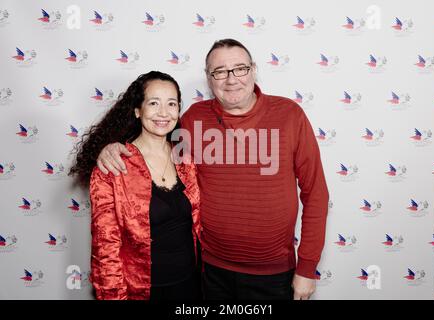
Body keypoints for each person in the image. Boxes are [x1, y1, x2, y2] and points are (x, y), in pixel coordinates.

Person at [96, 39, 329, 300]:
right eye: (219, 72)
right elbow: (153, 142)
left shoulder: (289, 115)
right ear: (209, 78)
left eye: (240, 68)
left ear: (253, 69)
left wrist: (307, 269)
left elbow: (316, 194)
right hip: (210, 273)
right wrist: (113, 147)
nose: (231, 79)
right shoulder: (194, 119)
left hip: (274, 275)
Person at [69, 71, 201, 300]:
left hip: (192, 287)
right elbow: (105, 248)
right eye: (153, 103)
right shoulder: (113, 166)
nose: (163, 113)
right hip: (141, 292)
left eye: (171, 104)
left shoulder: (186, 159)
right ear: (138, 110)